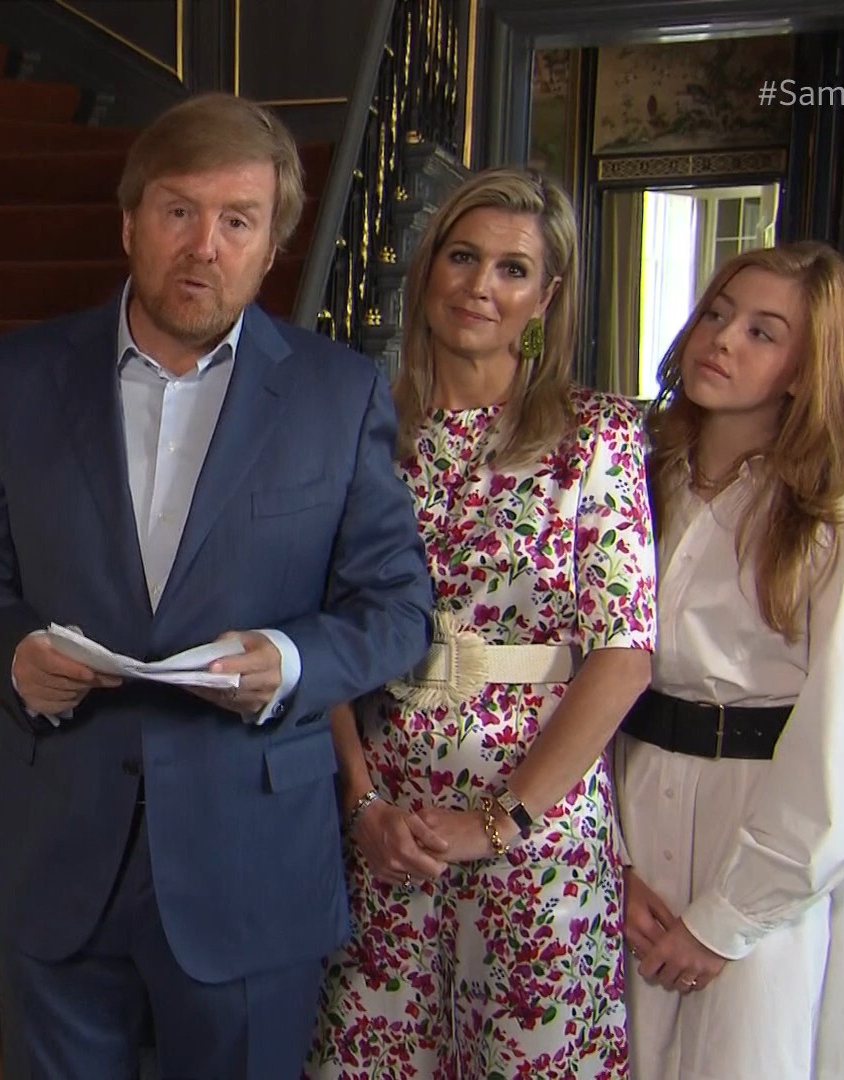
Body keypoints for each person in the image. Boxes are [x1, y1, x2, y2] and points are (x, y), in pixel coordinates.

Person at [0, 92, 436, 1079]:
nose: (204, 245)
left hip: (252, 861)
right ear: (131, 223)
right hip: (56, 850)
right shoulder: (17, 374)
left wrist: (292, 661)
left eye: (237, 220)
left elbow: (398, 608)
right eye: (179, 211)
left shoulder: (338, 395)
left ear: (272, 248)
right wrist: (13, 653)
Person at [308, 167, 656, 1078]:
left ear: (547, 297)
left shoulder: (597, 435)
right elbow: (320, 629)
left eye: (513, 269)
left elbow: (623, 655)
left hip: (537, 825)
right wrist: (362, 802)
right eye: (462, 257)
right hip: (387, 827)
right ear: (428, 268)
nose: (480, 286)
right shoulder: (362, 433)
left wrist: (497, 822)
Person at [618, 241, 844, 1078]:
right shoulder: (634, 486)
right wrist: (612, 860)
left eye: (761, 331)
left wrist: (729, 919)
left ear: (808, 367)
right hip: (632, 802)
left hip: (757, 830)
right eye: (717, 313)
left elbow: (843, 754)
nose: (722, 338)